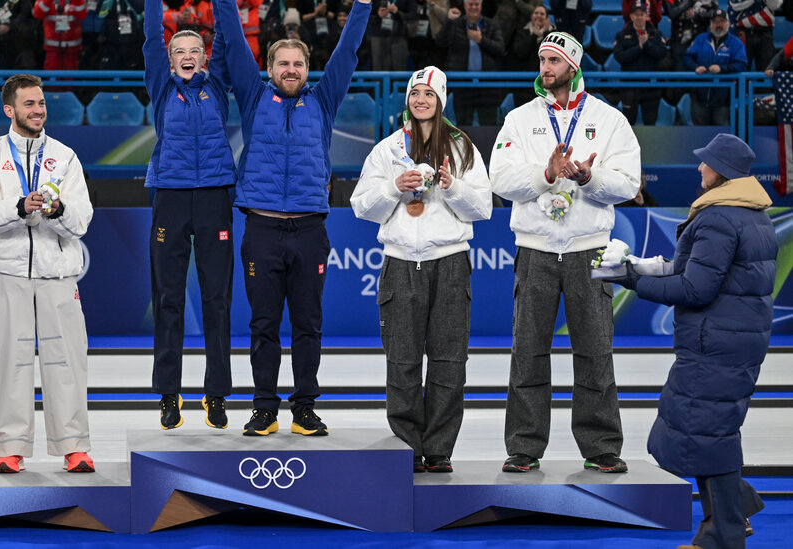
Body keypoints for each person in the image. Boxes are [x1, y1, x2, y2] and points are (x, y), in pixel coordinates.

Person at [601, 133, 773, 549]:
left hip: (715, 342)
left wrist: (631, 281)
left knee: (705, 433)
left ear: (723, 172)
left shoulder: (718, 216)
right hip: (733, 340)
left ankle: (722, 534)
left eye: (706, 163)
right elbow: (695, 268)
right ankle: (735, 511)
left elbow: (695, 289)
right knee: (704, 431)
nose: (699, 168)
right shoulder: (752, 213)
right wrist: (643, 267)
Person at [212, 0, 370, 437]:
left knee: (308, 324)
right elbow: (233, 38)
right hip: (261, 229)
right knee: (263, 324)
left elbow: (348, 50)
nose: (291, 69)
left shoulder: (323, 101)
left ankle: (304, 407)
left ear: (307, 69)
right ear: (268, 67)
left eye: (298, 63)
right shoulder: (251, 95)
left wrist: (362, 6)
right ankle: (264, 408)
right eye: (283, 63)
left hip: (309, 230)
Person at [489, 32, 640, 474]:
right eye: (541, 58)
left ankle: (601, 447)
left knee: (595, 351)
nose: (545, 67)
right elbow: (500, 178)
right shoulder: (519, 119)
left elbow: (628, 183)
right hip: (535, 249)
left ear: (573, 66)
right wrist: (545, 173)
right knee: (527, 350)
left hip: (588, 249)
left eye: (553, 59)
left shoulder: (609, 119)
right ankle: (524, 446)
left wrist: (591, 178)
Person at [351, 66, 492, 473]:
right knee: (402, 359)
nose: (421, 100)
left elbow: (483, 209)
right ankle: (407, 448)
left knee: (449, 360)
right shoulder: (388, 148)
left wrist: (453, 187)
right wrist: (394, 187)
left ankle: (440, 449)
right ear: (408, 101)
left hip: (448, 262)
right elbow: (362, 206)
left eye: (429, 94)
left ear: (441, 100)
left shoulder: (463, 149)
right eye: (415, 94)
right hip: (399, 262)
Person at [0, 74, 95, 474]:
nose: (38, 110)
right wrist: (20, 205)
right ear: (10, 109)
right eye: (29, 104)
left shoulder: (65, 156)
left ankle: (74, 446)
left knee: (67, 360)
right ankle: (10, 447)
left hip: (58, 273)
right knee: (9, 360)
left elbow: (82, 219)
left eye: (41, 103)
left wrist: (56, 212)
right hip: (7, 271)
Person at [143, 0, 234, 430]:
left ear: (203, 57)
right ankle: (169, 395)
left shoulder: (216, 86)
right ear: (170, 58)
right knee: (169, 300)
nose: (186, 55)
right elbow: (149, 35)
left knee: (217, 300)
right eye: (179, 49)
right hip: (171, 197)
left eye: (194, 49)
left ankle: (215, 394)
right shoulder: (161, 86)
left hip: (215, 195)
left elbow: (230, 35)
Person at [433, 0, 504, 126]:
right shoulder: (455, 24)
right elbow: (440, 42)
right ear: (465, 6)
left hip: (487, 87)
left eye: (477, 4)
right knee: (463, 126)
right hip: (462, 85)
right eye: (470, 4)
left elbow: (500, 49)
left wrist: (481, 40)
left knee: (489, 126)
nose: (474, 7)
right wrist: (449, 21)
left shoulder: (492, 25)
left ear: (481, 5)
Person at [684, 9, 747, 126]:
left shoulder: (736, 43)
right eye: (715, 22)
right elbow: (688, 57)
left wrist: (722, 68)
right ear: (711, 24)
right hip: (699, 98)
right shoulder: (700, 39)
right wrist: (695, 67)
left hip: (723, 101)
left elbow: (742, 64)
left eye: (722, 21)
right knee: (700, 136)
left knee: (722, 137)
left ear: (728, 23)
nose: (718, 25)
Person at [613, 0, 666, 125]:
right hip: (629, 87)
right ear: (631, 16)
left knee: (650, 124)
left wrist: (647, 44)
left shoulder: (656, 34)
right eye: (636, 15)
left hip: (651, 87)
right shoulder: (621, 35)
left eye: (642, 14)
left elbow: (661, 54)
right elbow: (620, 57)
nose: (639, 17)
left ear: (646, 16)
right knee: (628, 125)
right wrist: (639, 47)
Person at [727, 0, 780, 71]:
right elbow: (735, 5)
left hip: (765, 32)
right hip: (744, 32)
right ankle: (743, 82)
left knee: (766, 69)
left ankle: (764, 82)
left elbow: (775, 6)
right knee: (742, 66)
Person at [33, 0, 87, 70]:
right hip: (52, 48)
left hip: (71, 48)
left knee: (69, 76)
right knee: (52, 75)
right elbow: (37, 14)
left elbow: (83, 15)